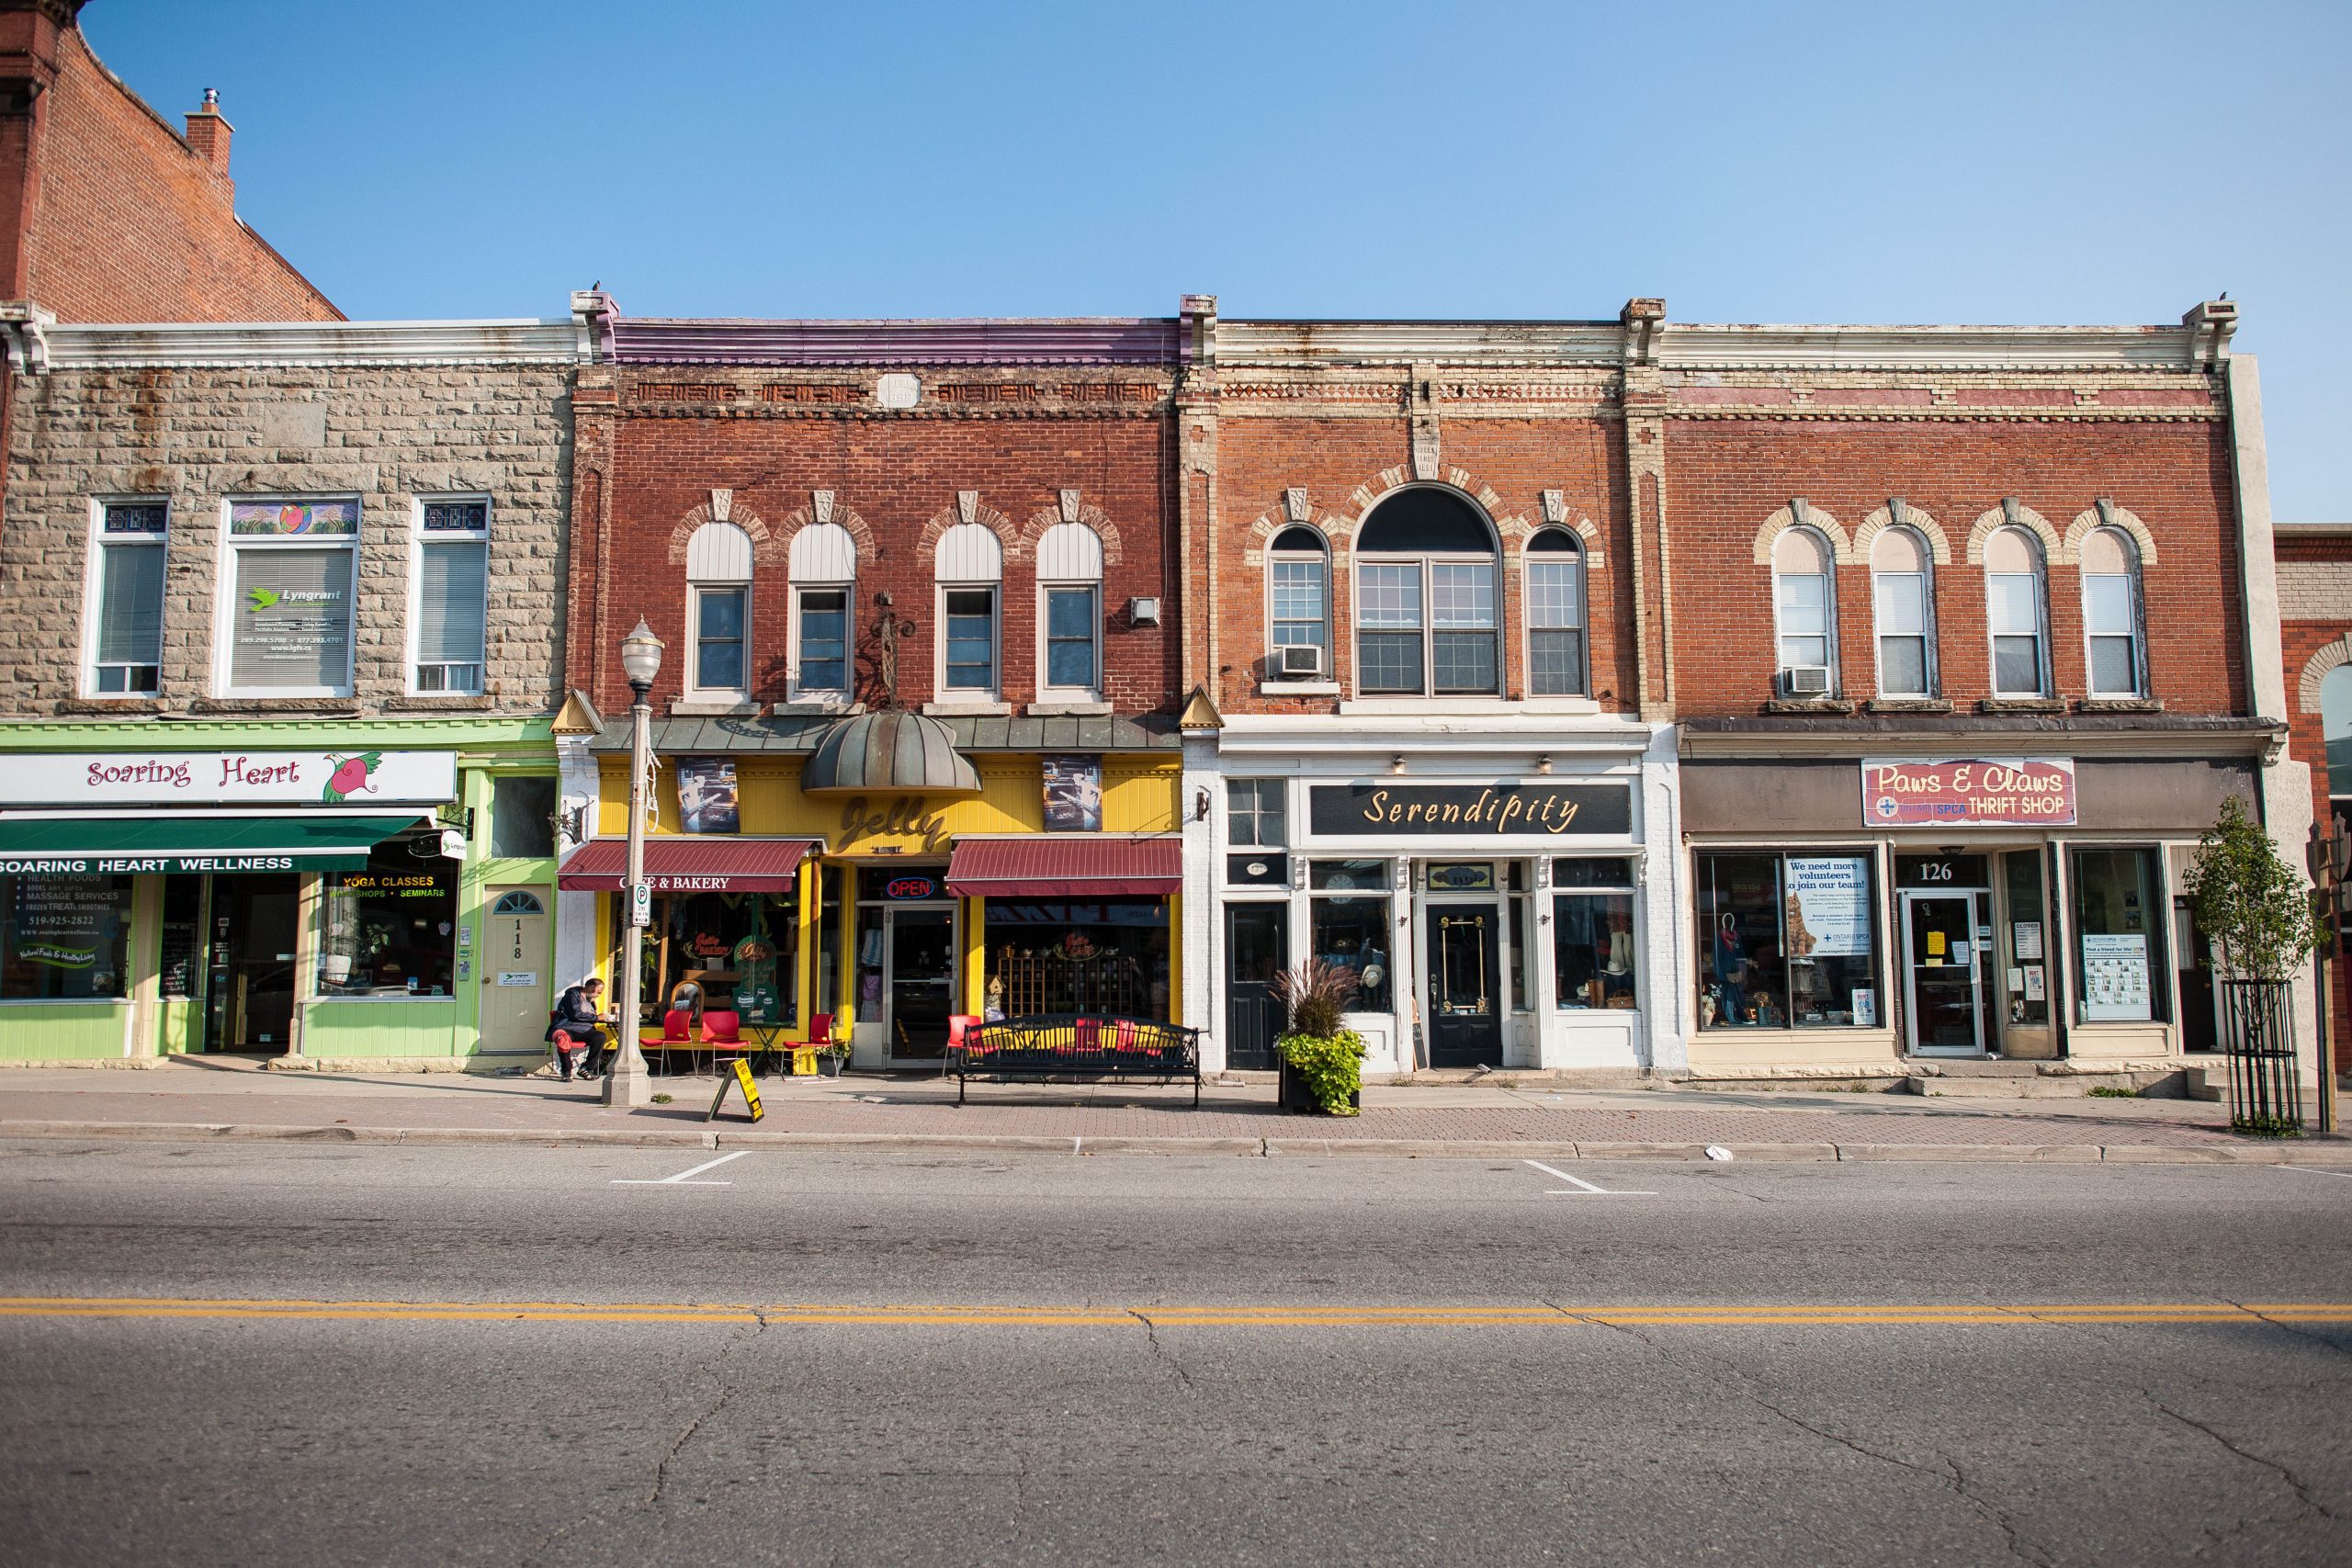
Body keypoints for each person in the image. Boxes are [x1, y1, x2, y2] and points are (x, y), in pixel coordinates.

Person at [548, 976, 612, 1081]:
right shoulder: (572, 996)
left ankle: (586, 1068)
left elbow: (588, 1016)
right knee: (563, 1039)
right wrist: (596, 1017)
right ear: (591, 987)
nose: (598, 995)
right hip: (567, 1027)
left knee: (600, 1037)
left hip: (584, 1030)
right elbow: (576, 1014)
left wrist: (599, 1018)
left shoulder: (590, 1000)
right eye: (598, 992)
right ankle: (566, 1071)